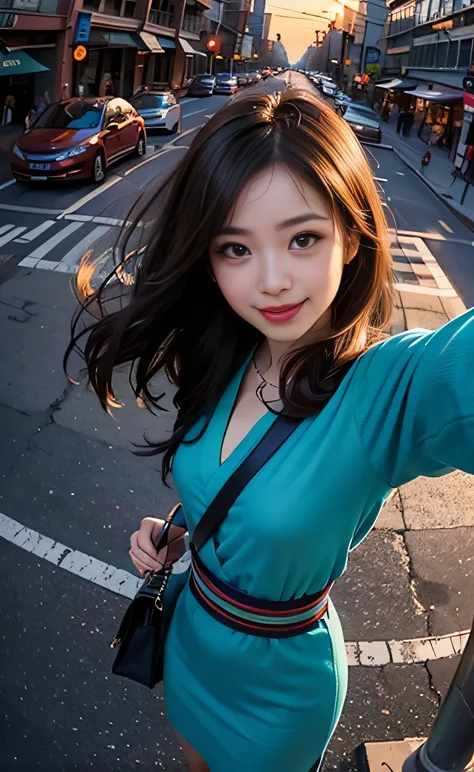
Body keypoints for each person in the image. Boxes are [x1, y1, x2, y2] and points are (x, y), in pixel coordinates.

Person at [66, 86, 474, 772]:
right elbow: (237, 487)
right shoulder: (228, 348)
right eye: (235, 248)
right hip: (191, 642)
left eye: (304, 237)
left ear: (351, 233)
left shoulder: (384, 391)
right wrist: (186, 532)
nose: (273, 280)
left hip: (279, 694)